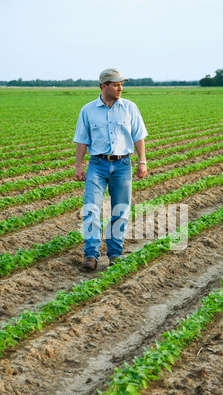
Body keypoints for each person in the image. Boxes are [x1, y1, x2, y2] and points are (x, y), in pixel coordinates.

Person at [73, 68, 148, 270]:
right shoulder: (87, 110)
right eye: (116, 84)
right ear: (103, 86)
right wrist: (79, 165)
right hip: (97, 165)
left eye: (121, 84)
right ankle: (91, 255)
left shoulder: (130, 108)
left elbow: (138, 136)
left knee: (120, 210)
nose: (120, 88)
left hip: (123, 164)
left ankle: (115, 254)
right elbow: (82, 139)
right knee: (91, 209)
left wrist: (142, 161)